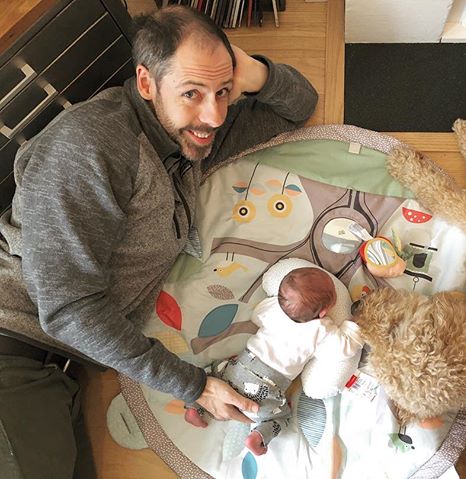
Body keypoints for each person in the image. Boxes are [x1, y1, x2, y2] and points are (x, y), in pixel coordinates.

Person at [0, 5, 317, 478]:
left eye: (223, 92)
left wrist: (250, 72)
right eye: (192, 92)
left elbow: (297, 105)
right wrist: (196, 386)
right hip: (14, 345)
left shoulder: (188, 133)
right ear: (147, 83)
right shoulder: (88, 147)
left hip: (63, 369)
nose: (213, 114)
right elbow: (68, 309)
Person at [185, 266, 362, 456]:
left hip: (238, 367)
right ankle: (258, 437)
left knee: (210, 374)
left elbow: (256, 316)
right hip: (268, 387)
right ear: (322, 313)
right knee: (282, 417)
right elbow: (343, 348)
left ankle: (194, 407)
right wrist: (354, 324)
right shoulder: (321, 328)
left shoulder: (274, 308)